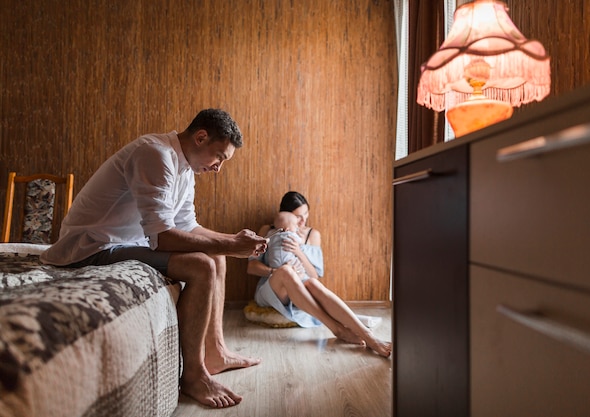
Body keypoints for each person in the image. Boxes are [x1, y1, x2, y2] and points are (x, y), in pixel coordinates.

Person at [40, 108, 268, 409]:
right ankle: (194, 375)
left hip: (125, 243)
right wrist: (231, 244)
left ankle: (216, 352)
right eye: (220, 157)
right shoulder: (154, 154)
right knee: (201, 264)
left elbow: (188, 227)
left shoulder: (185, 169)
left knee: (217, 255)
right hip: (91, 247)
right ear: (200, 137)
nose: (218, 168)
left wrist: (232, 243)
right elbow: (162, 238)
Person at [247, 191, 392, 357]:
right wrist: (276, 271)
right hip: (271, 289)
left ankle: (370, 337)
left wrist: (298, 251)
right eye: (298, 216)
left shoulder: (312, 235)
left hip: (301, 287)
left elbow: (315, 275)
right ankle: (336, 328)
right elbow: (251, 267)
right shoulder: (268, 230)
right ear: (286, 214)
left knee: (314, 284)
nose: (303, 221)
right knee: (286, 271)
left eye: (306, 215)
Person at [264, 211, 306, 276]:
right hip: (288, 262)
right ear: (287, 229)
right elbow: (301, 241)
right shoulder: (291, 235)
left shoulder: (271, 234)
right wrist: (303, 238)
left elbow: (267, 243)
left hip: (274, 264)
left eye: (305, 213)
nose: (297, 227)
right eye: (295, 225)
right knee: (300, 270)